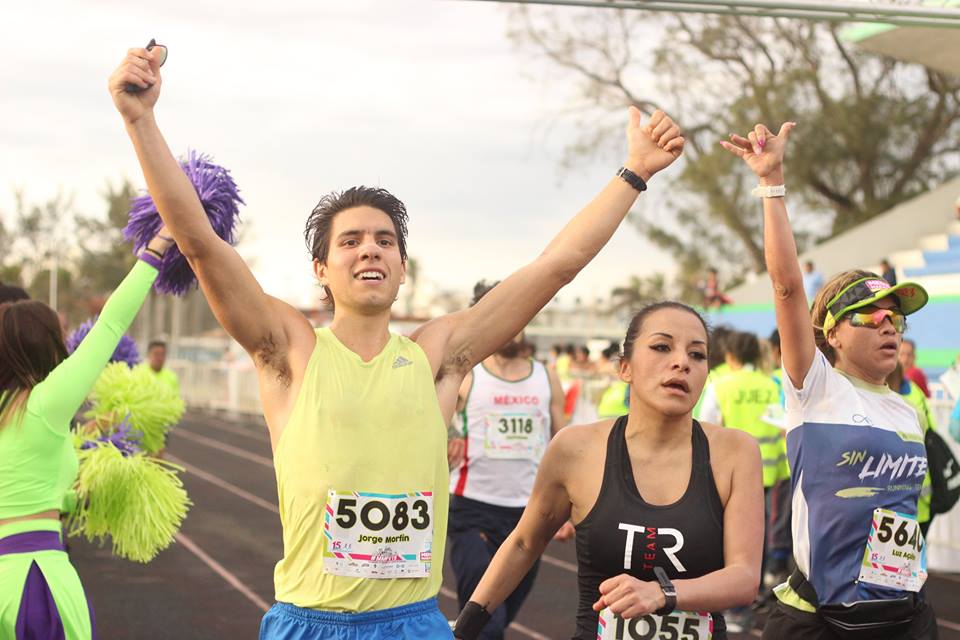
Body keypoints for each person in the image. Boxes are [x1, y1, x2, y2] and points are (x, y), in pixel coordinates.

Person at [110, 45, 687, 639]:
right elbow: (199, 242)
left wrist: (634, 172)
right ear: (321, 268)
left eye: (385, 241)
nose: (370, 249)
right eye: (352, 240)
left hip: (413, 623)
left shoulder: (438, 356)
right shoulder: (289, 349)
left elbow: (556, 266)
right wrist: (140, 120)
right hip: (311, 623)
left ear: (402, 267)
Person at [722, 121, 937, 638]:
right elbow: (788, 287)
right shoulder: (815, 387)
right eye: (871, 316)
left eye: (896, 317)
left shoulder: (907, 407)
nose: (888, 324)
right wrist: (771, 184)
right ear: (833, 333)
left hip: (903, 613)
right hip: (820, 620)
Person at [453, 301, 764, 640]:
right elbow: (524, 543)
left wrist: (662, 594)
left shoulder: (736, 452)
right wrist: (465, 626)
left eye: (697, 354)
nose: (681, 362)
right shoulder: (575, 449)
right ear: (625, 368)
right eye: (662, 347)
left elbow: (744, 578)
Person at [0, 228, 173, 638]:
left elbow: (23, 490)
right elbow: (110, 325)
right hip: (36, 577)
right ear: (44, 347)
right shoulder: (44, 403)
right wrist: (156, 249)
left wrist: (81, 497)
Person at [447, 281, 568, 640]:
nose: (512, 325)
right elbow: (428, 423)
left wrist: (569, 506)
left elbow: (563, 445)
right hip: (474, 512)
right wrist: (450, 436)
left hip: (529, 518)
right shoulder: (467, 376)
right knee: (488, 624)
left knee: (497, 621)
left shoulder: (546, 377)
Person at [696, 330, 782, 633]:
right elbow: (780, 426)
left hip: (727, 476)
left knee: (725, 539)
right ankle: (748, 599)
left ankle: (730, 605)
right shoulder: (770, 385)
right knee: (757, 538)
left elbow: (706, 428)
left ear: (730, 355)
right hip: (766, 473)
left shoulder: (721, 385)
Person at [886, 363, 937, 538]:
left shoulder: (880, 406)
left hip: (893, 503)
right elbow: (931, 429)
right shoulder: (915, 396)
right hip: (920, 498)